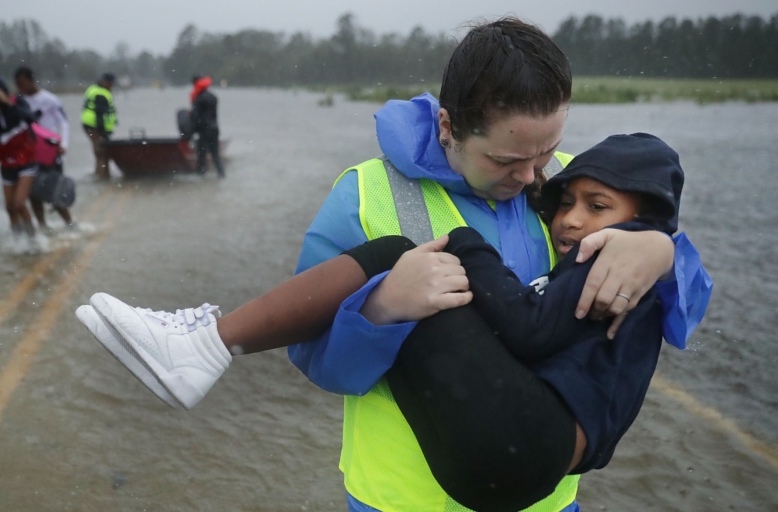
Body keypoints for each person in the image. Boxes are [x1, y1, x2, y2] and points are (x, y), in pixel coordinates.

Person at [80, 18, 713, 512]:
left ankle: (205, 343)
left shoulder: (573, 189)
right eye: (506, 160)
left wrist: (662, 250)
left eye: (546, 149)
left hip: (539, 498)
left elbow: (684, 318)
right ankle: (209, 347)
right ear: (448, 126)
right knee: (391, 264)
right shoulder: (365, 195)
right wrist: (379, 313)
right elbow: (316, 365)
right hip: (401, 500)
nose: (531, 176)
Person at [0, 73, 38, 238]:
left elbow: (30, 118)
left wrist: (7, 103)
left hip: (27, 159)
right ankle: (17, 241)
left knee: (19, 204)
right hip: (7, 162)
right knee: (10, 207)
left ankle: (33, 240)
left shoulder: (17, 102)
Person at [14, 66, 74, 232]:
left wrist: (64, 145)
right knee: (34, 192)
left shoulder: (50, 100)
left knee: (55, 187)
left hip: (50, 151)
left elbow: (63, 122)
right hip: (30, 153)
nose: (20, 88)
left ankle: (69, 223)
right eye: (17, 84)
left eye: (23, 83)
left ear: (31, 80)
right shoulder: (18, 101)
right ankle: (42, 225)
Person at [81, 73, 117, 180]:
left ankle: (98, 174)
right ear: (104, 82)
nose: (111, 86)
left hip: (89, 125)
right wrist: (104, 132)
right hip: (95, 126)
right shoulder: (101, 93)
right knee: (102, 151)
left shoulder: (93, 89)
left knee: (98, 151)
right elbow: (99, 115)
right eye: (110, 84)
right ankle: (103, 177)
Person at [190, 75, 225, 177]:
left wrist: (192, 130)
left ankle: (201, 177)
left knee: (202, 155)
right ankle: (221, 175)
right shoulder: (213, 97)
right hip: (214, 129)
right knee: (215, 155)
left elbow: (196, 117)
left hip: (204, 130)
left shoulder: (198, 99)